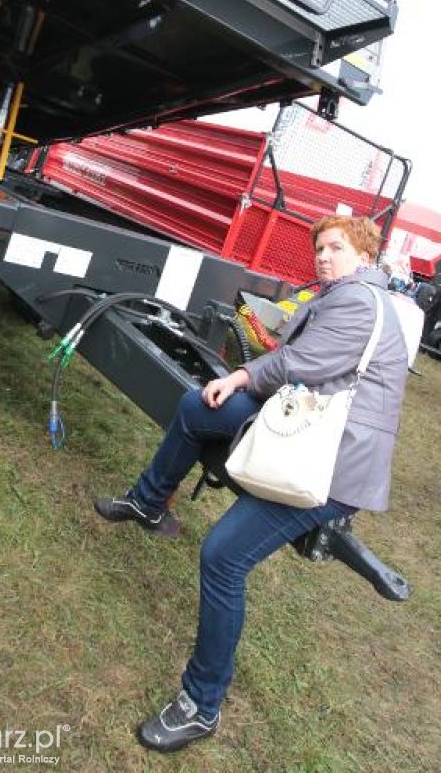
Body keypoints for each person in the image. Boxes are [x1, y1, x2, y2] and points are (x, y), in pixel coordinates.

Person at [94, 215, 411, 753]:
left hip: (331, 462)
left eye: (336, 247)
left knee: (223, 556)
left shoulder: (360, 301)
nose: (323, 256)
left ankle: (201, 706)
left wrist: (241, 375)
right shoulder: (343, 294)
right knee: (197, 406)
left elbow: (304, 361)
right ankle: (149, 503)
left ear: (364, 254)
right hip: (306, 419)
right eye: (319, 248)